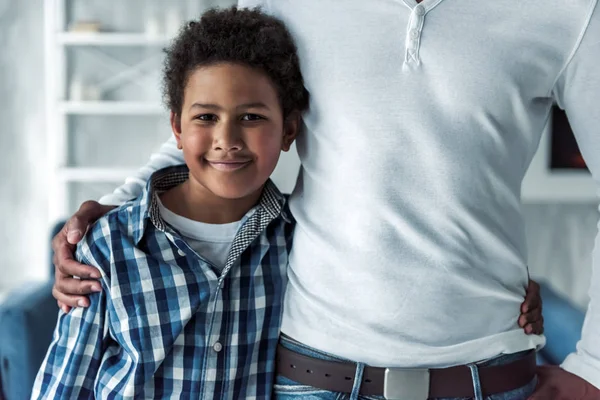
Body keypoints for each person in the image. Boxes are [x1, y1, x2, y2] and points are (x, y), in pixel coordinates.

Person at [51, 0, 600, 399]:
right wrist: (103, 223)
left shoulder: (569, 12)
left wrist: (592, 367)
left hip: (489, 378)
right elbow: (216, 115)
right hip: (310, 379)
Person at [32, 7, 308, 398]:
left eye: (250, 117)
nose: (226, 139)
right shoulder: (109, 245)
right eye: (207, 117)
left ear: (289, 130)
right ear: (177, 128)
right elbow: (65, 384)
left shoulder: (296, 245)